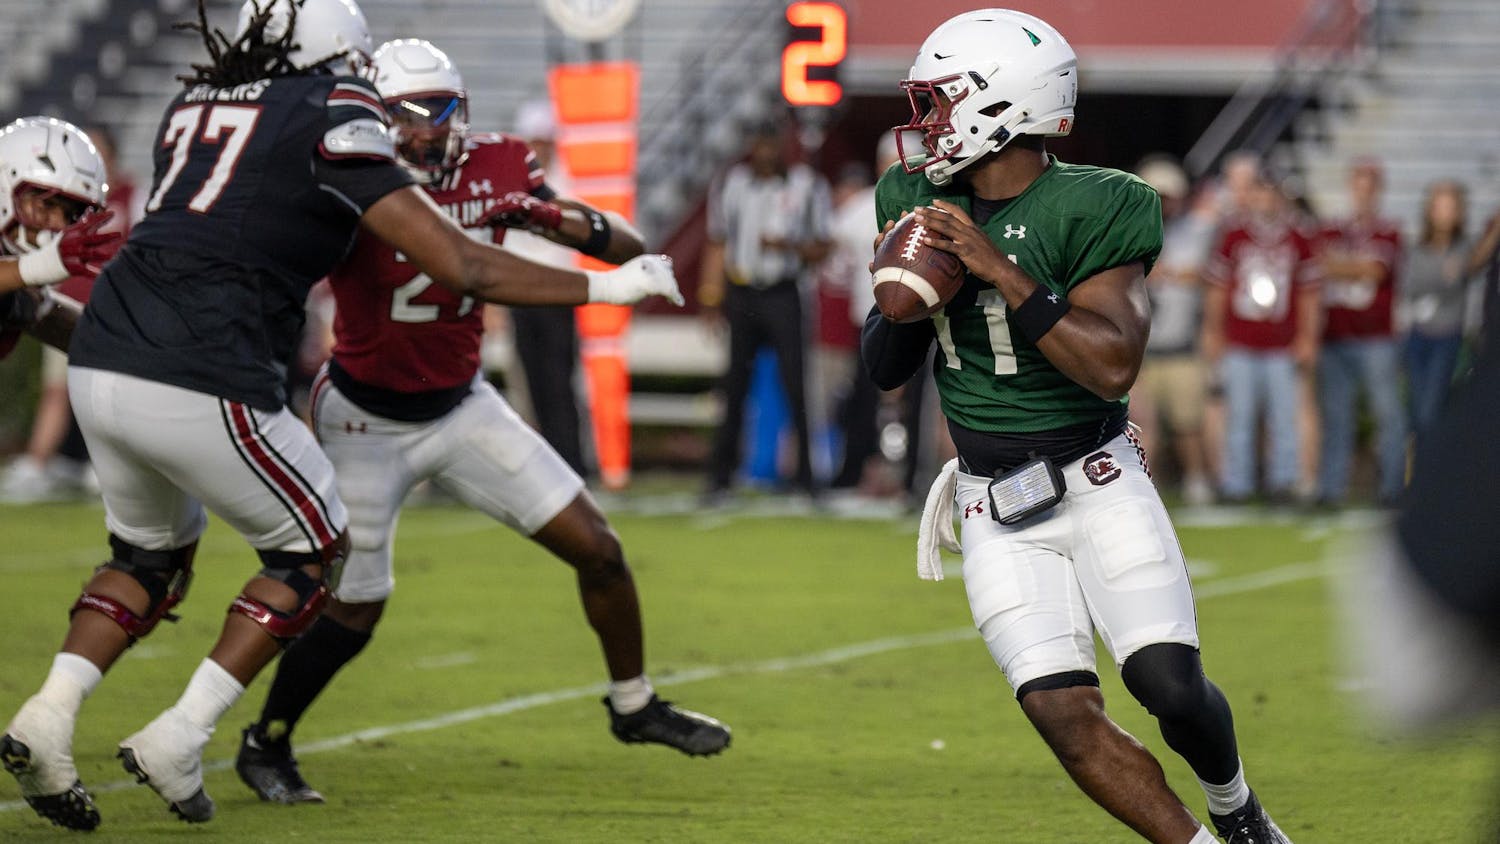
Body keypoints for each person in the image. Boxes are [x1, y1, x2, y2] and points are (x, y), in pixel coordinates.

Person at [0, 0, 682, 832]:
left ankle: (47, 717)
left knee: (147, 559)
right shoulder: (333, 112)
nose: (365, 87)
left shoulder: (197, 105)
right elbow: (461, 262)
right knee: (317, 548)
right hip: (211, 363)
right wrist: (612, 285)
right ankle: (183, 735)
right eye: (357, 68)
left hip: (108, 347)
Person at [232, 38, 730, 806]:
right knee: (355, 603)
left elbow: (627, 246)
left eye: (439, 110)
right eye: (404, 113)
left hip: (462, 402)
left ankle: (634, 705)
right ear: (375, 115)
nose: (424, 131)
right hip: (363, 415)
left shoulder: (500, 164)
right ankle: (267, 739)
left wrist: (542, 212)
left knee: (599, 549)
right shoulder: (348, 172)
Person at [868, 10, 1290, 843]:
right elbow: (884, 369)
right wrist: (908, 295)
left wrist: (997, 269)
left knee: (1169, 685)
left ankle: (1237, 806)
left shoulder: (1102, 202)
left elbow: (1110, 364)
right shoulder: (910, 195)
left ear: (1000, 105)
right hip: (993, 500)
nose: (926, 123)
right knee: (1061, 712)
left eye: (941, 102)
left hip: (1097, 479)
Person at [699, 118, 833, 502]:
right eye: (760, 145)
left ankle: (807, 478)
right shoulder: (732, 183)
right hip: (742, 293)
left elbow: (823, 245)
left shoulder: (806, 186)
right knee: (734, 385)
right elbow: (717, 241)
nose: (766, 154)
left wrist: (788, 247)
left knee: (796, 386)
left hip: (782, 292)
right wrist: (710, 298)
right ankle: (719, 477)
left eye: (773, 146)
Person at [0, 121, 127, 502]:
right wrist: (42, 265)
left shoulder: (22, 292)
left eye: (69, 213)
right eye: (47, 204)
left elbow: (75, 333)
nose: (57, 224)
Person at [1201, 167, 1322, 504]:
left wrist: (1307, 336)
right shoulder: (1233, 234)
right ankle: (1236, 485)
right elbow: (1217, 288)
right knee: (1239, 415)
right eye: (1260, 192)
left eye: (1271, 193)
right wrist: (1213, 331)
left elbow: (1310, 293)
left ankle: (1283, 482)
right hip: (1240, 339)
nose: (1265, 200)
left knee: (1284, 416)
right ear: (1251, 196)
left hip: (1282, 342)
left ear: (1281, 198)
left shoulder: (1299, 236)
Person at [1312, 158, 1405, 507]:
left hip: (1375, 337)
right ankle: (1331, 489)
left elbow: (1375, 271)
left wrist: (1339, 266)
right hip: (1336, 336)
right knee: (1337, 417)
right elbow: (1318, 264)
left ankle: (1392, 488)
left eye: (1370, 188)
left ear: (1378, 191)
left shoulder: (1389, 230)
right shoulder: (1333, 229)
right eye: (1359, 186)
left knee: (1387, 415)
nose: (1363, 195)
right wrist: (1351, 268)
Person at [503, 99, 588, 476]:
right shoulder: (511, 185)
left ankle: (572, 464)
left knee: (559, 382)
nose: (542, 150)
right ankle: (546, 468)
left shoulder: (567, 184)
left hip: (556, 294)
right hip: (520, 293)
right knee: (530, 385)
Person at [1130, 155, 1217, 506]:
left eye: (1168, 197)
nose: (1163, 204)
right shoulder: (1128, 232)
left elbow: (1211, 274)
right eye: (1157, 196)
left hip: (1180, 342)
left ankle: (1197, 481)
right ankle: (1143, 489)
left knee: (1188, 423)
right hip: (1139, 347)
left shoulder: (1198, 231)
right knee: (1140, 425)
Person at [1399, 181, 1479, 440]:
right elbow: (1411, 285)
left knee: (1430, 409)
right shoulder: (1418, 248)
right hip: (1418, 334)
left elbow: (1457, 279)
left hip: (1447, 337)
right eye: (1439, 207)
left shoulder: (1465, 248)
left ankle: (1430, 465)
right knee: (1417, 406)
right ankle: (1420, 465)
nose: (1444, 214)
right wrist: (1443, 277)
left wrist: (1444, 279)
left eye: (1450, 207)